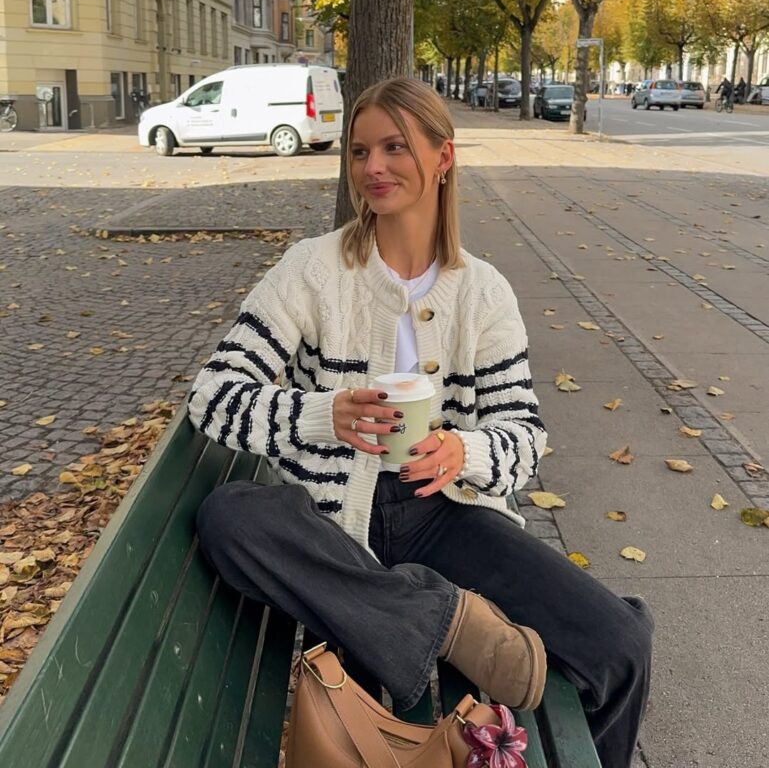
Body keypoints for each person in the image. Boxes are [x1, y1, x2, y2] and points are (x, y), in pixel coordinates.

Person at [189, 77, 653, 768]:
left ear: (443, 158)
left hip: (442, 513)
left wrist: (458, 452)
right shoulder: (311, 271)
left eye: (393, 147)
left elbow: (522, 438)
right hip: (331, 526)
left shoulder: (482, 290)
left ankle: (434, 621)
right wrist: (324, 414)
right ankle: (449, 623)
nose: (371, 167)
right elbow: (212, 394)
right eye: (357, 151)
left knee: (619, 645)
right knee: (230, 516)